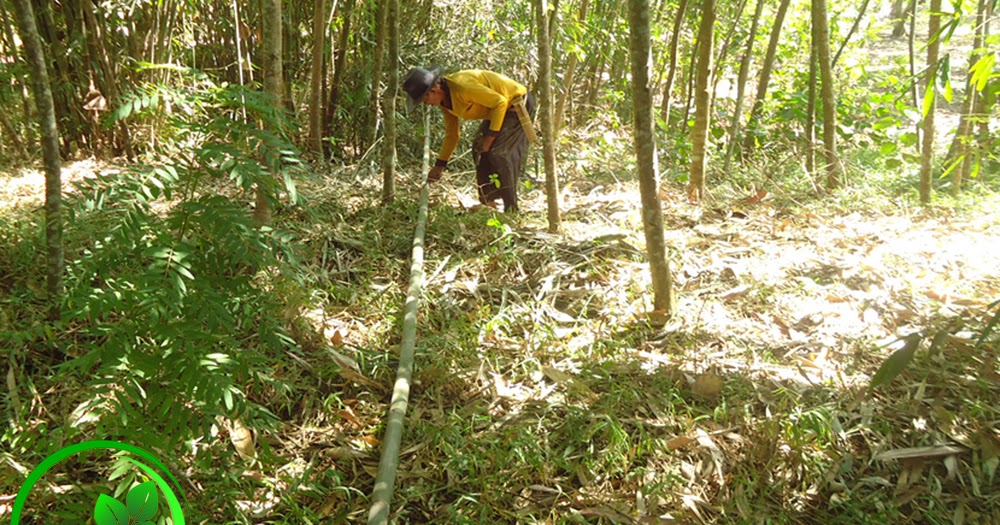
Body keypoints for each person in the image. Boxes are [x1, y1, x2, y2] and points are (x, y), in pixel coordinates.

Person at [403, 67, 536, 213]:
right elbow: (452, 134)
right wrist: (439, 166)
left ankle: (511, 208)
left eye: (424, 99)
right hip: (497, 111)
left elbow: (500, 102)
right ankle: (488, 202)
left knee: (499, 153)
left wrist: (489, 139)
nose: (426, 103)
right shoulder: (445, 102)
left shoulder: (462, 87)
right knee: (479, 149)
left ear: (434, 90)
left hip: (516, 104)